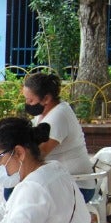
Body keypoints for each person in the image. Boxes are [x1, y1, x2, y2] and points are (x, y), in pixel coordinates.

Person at [22, 72, 94, 201]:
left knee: (17, 193)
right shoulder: (44, 112)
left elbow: (39, 154)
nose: (27, 103)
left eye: (30, 100)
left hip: (77, 186)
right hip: (61, 180)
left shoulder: (58, 116)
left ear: (46, 99)